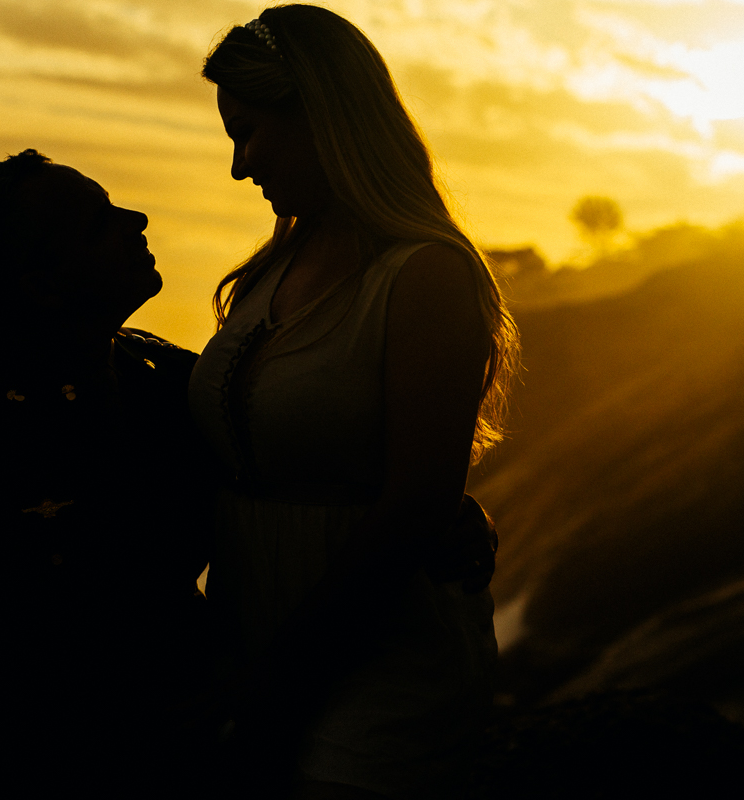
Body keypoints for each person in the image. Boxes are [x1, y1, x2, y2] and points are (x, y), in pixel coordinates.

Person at [191, 6, 520, 798]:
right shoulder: (271, 268)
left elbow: (413, 504)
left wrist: (283, 674)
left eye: (251, 133)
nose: (239, 168)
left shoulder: (426, 275)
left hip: (378, 649)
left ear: (324, 120)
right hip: (250, 634)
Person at [0, 149, 214, 799]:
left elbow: (280, 482)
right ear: (42, 284)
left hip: (185, 751)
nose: (136, 220)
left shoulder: (172, 380)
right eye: (101, 221)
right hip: (30, 767)